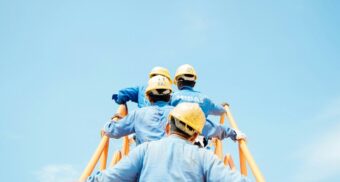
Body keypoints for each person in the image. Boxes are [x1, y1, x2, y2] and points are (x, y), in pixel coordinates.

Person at [87, 103, 249, 182]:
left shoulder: (144, 150)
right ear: (194, 137)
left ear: (166, 127)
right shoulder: (206, 157)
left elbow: (110, 178)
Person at [104, 75, 173, 145]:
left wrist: (115, 120)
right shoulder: (178, 113)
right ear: (169, 96)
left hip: (145, 155)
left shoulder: (137, 114)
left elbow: (111, 130)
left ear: (148, 97)